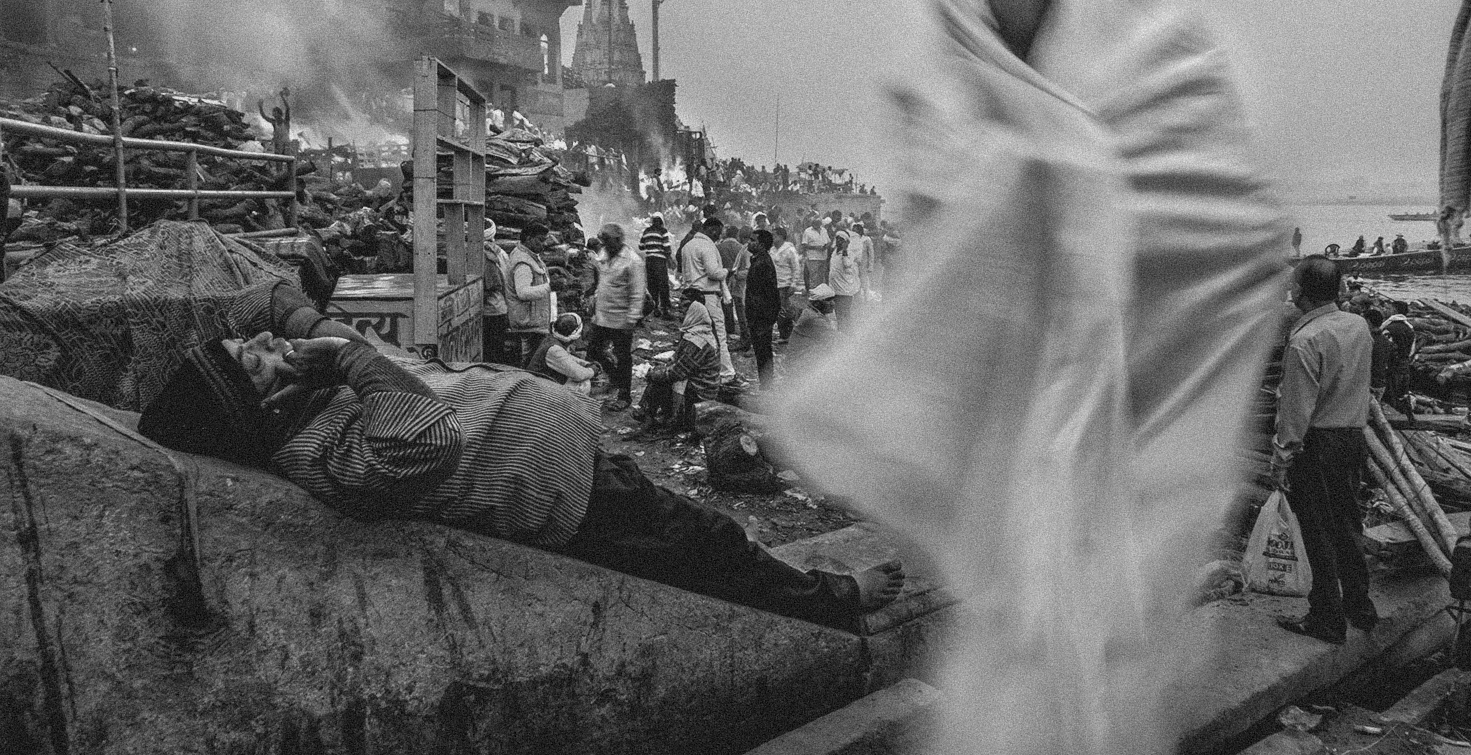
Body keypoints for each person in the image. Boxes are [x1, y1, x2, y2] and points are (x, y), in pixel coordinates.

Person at [766, 0, 1286, 755]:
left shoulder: (1168, 64)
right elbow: (943, 335)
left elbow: (1238, 249)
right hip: (1020, 536)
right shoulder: (945, 111)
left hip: (1143, 503)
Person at [136, 280, 905, 632]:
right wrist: (341, 355)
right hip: (571, 500)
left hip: (572, 463)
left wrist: (306, 333)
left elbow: (268, 298)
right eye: (255, 361)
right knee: (713, 546)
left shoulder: (302, 395)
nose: (267, 342)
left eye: (252, 344)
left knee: (703, 539)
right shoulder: (320, 448)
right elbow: (429, 435)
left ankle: (816, 593)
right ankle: (835, 603)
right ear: (261, 410)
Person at [1270, 257, 1380, 644]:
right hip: (1352, 438)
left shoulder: (1305, 340)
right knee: (1348, 524)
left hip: (1319, 443)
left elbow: (1295, 411)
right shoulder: (1358, 325)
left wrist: (1282, 459)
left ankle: (1326, 619)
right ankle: (1360, 607)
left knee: (1317, 531)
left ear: (1300, 292)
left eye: (1293, 284)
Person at [632, 301, 720, 432]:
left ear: (693, 315)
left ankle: (651, 416)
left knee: (660, 380)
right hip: (701, 385)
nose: (681, 315)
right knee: (660, 374)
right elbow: (678, 361)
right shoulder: (701, 333)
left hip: (701, 391)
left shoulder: (697, 341)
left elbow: (677, 373)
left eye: (685, 312)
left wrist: (654, 374)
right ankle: (650, 412)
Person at [587, 223, 646, 413]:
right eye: (603, 240)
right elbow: (603, 284)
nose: (604, 244)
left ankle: (624, 396)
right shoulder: (604, 254)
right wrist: (595, 307)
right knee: (594, 352)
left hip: (622, 319)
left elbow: (637, 293)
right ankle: (615, 378)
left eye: (607, 240)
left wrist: (632, 318)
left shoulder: (633, 261)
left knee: (623, 358)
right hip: (603, 317)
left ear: (619, 240)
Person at [680, 217, 744, 390]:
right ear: (712, 229)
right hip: (708, 296)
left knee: (695, 335)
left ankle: (698, 371)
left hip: (691, 296)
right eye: (718, 232)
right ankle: (726, 373)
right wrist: (727, 271)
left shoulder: (688, 246)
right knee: (718, 336)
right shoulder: (707, 246)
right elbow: (713, 272)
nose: (719, 236)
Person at [503, 220, 552, 366]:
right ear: (529, 238)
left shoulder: (525, 254)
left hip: (530, 321)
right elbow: (523, 292)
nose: (544, 244)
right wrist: (549, 287)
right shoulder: (523, 264)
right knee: (531, 362)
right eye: (540, 240)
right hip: (528, 324)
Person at [743, 229, 781, 389]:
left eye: (753, 240)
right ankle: (765, 385)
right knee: (762, 351)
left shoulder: (762, 263)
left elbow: (766, 293)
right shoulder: (758, 260)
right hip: (761, 315)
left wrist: (760, 317)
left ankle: (766, 386)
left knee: (763, 351)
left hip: (761, 315)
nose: (749, 243)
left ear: (762, 245)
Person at [527, 313, 598, 393]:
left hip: (539, 382)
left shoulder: (552, 339)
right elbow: (579, 375)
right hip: (538, 389)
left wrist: (586, 364)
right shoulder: (555, 350)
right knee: (583, 383)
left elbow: (567, 358)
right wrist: (592, 370)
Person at [784, 283, 839, 374]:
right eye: (828, 300)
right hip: (799, 366)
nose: (833, 304)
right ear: (817, 303)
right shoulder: (813, 319)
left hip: (799, 362)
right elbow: (835, 339)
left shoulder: (812, 313)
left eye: (833, 300)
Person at [481, 219, 509, 364]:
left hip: (490, 309)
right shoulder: (501, 252)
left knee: (490, 351)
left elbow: (493, 284)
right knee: (498, 348)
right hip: (501, 306)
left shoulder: (484, 254)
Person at [770, 225, 802, 341]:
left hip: (784, 284)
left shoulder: (790, 250)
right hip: (774, 283)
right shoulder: (772, 250)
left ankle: (786, 334)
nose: (772, 237)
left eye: (774, 235)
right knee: (780, 308)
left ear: (781, 236)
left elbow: (796, 268)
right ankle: (795, 318)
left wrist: (793, 284)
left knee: (782, 309)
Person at [639, 214, 673, 319]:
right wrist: (670, 259)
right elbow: (666, 247)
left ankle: (655, 308)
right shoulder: (663, 231)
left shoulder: (646, 231)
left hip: (649, 261)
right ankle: (665, 309)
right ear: (661, 221)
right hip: (660, 261)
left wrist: (650, 245)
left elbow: (641, 246)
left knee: (652, 284)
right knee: (663, 285)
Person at [827, 230, 862, 328]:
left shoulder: (849, 253)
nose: (838, 241)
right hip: (835, 288)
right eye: (837, 239)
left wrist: (845, 251)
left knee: (844, 314)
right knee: (838, 314)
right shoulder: (834, 252)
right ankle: (842, 331)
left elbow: (847, 265)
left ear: (846, 242)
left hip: (844, 289)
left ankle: (847, 333)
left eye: (841, 240)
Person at [717, 224, 745, 338]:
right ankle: (743, 328)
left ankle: (729, 326)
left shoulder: (719, 247)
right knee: (739, 302)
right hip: (738, 278)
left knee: (726, 301)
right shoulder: (741, 248)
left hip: (724, 276)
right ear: (737, 235)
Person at [800, 217, 831, 290]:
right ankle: (813, 292)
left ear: (820, 223)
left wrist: (826, 246)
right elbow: (804, 244)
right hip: (813, 258)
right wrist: (816, 247)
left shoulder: (824, 230)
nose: (816, 224)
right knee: (814, 277)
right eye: (814, 223)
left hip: (823, 257)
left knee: (821, 277)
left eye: (817, 223)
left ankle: (820, 292)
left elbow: (829, 241)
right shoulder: (807, 231)